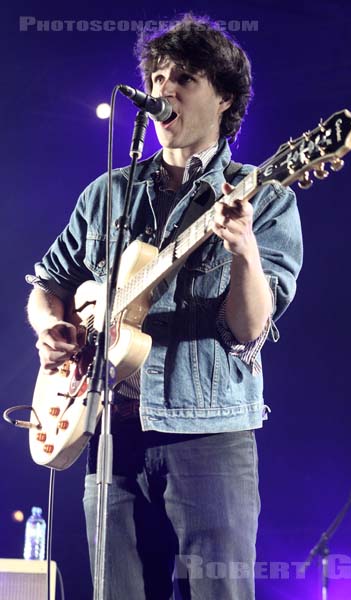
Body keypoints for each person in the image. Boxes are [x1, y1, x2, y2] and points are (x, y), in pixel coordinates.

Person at [26, 14, 303, 600]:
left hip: (209, 436)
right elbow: (47, 283)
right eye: (156, 76)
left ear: (225, 97)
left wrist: (245, 250)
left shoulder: (266, 195)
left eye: (184, 77)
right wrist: (51, 324)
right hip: (107, 434)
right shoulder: (106, 193)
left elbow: (251, 328)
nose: (162, 87)